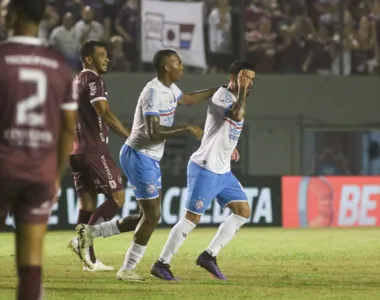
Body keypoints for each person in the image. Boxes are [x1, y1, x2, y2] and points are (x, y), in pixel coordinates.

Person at [75, 49, 222, 281]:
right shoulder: (153, 91)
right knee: (152, 217)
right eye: (178, 63)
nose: (182, 67)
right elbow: (153, 131)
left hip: (148, 157)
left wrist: (219, 90)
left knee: (145, 216)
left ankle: (89, 233)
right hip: (139, 155)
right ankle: (127, 269)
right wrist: (186, 128)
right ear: (166, 67)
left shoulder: (170, 89)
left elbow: (190, 99)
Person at [0, 0, 78, 299]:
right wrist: (55, 176)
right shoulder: (58, 64)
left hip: (3, 167)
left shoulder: (3, 56)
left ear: (14, 14)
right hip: (40, 173)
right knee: (31, 266)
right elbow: (68, 127)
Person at [150, 60, 256, 281]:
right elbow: (236, 115)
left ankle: (209, 256)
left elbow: (225, 128)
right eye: (245, 78)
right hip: (205, 167)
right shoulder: (223, 95)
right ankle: (162, 263)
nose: (249, 83)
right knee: (192, 218)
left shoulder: (237, 98)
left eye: (252, 80)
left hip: (223, 169)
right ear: (233, 78)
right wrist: (243, 91)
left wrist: (230, 148)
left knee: (243, 211)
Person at [67, 40, 139, 272]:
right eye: (101, 55)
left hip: (75, 150)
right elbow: (104, 111)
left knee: (87, 206)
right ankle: (83, 239)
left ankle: (90, 261)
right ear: (89, 59)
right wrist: (131, 137)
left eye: (107, 54)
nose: (107, 59)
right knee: (117, 199)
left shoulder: (74, 81)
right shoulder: (93, 80)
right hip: (93, 150)